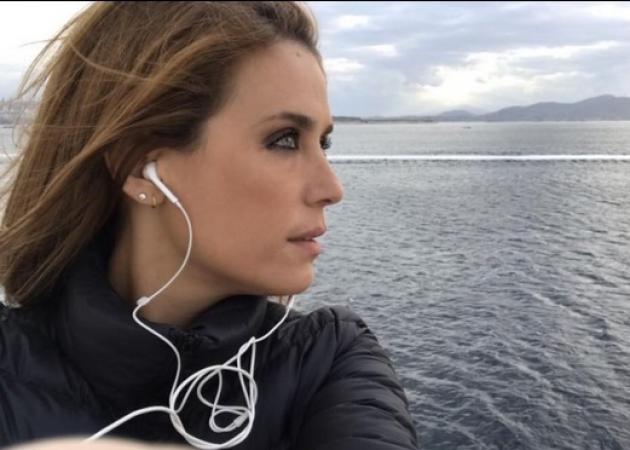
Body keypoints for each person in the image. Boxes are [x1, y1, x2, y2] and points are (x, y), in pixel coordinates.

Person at [0, 2, 418, 449]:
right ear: (140, 169)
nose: (332, 189)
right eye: (284, 140)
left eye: (324, 143)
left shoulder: (327, 361)